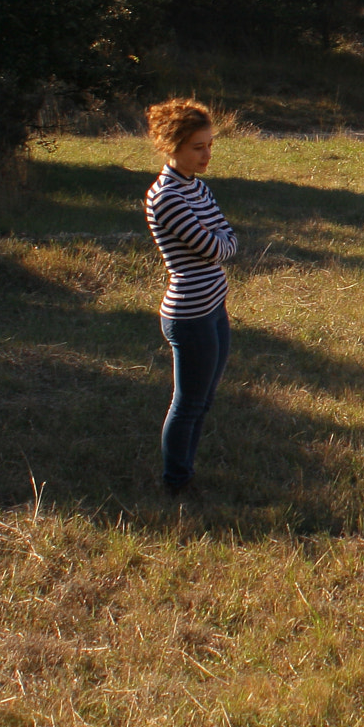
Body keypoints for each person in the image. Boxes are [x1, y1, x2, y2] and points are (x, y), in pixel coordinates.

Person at [142, 99, 237, 496]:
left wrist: (222, 244)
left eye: (210, 145)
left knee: (204, 400)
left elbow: (227, 238)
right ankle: (176, 482)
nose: (206, 154)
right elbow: (216, 248)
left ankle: (185, 472)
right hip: (190, 315)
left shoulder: (196, 187)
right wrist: (221, 244)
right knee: (188, 403)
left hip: (214, 308)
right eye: (198, 147)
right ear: (173, 145)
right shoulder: (166, 197)